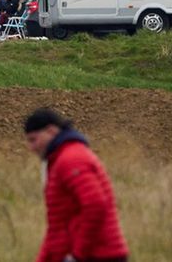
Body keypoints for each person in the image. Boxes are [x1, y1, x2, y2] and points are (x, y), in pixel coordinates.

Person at [24, 108, 129, 262]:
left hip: (99, 256)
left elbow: (96, 205)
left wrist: (78, 255)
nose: (31, 147)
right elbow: (57, 227)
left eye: (34, 140)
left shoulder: (71, 158)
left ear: (51, 131)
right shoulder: (59, 160)